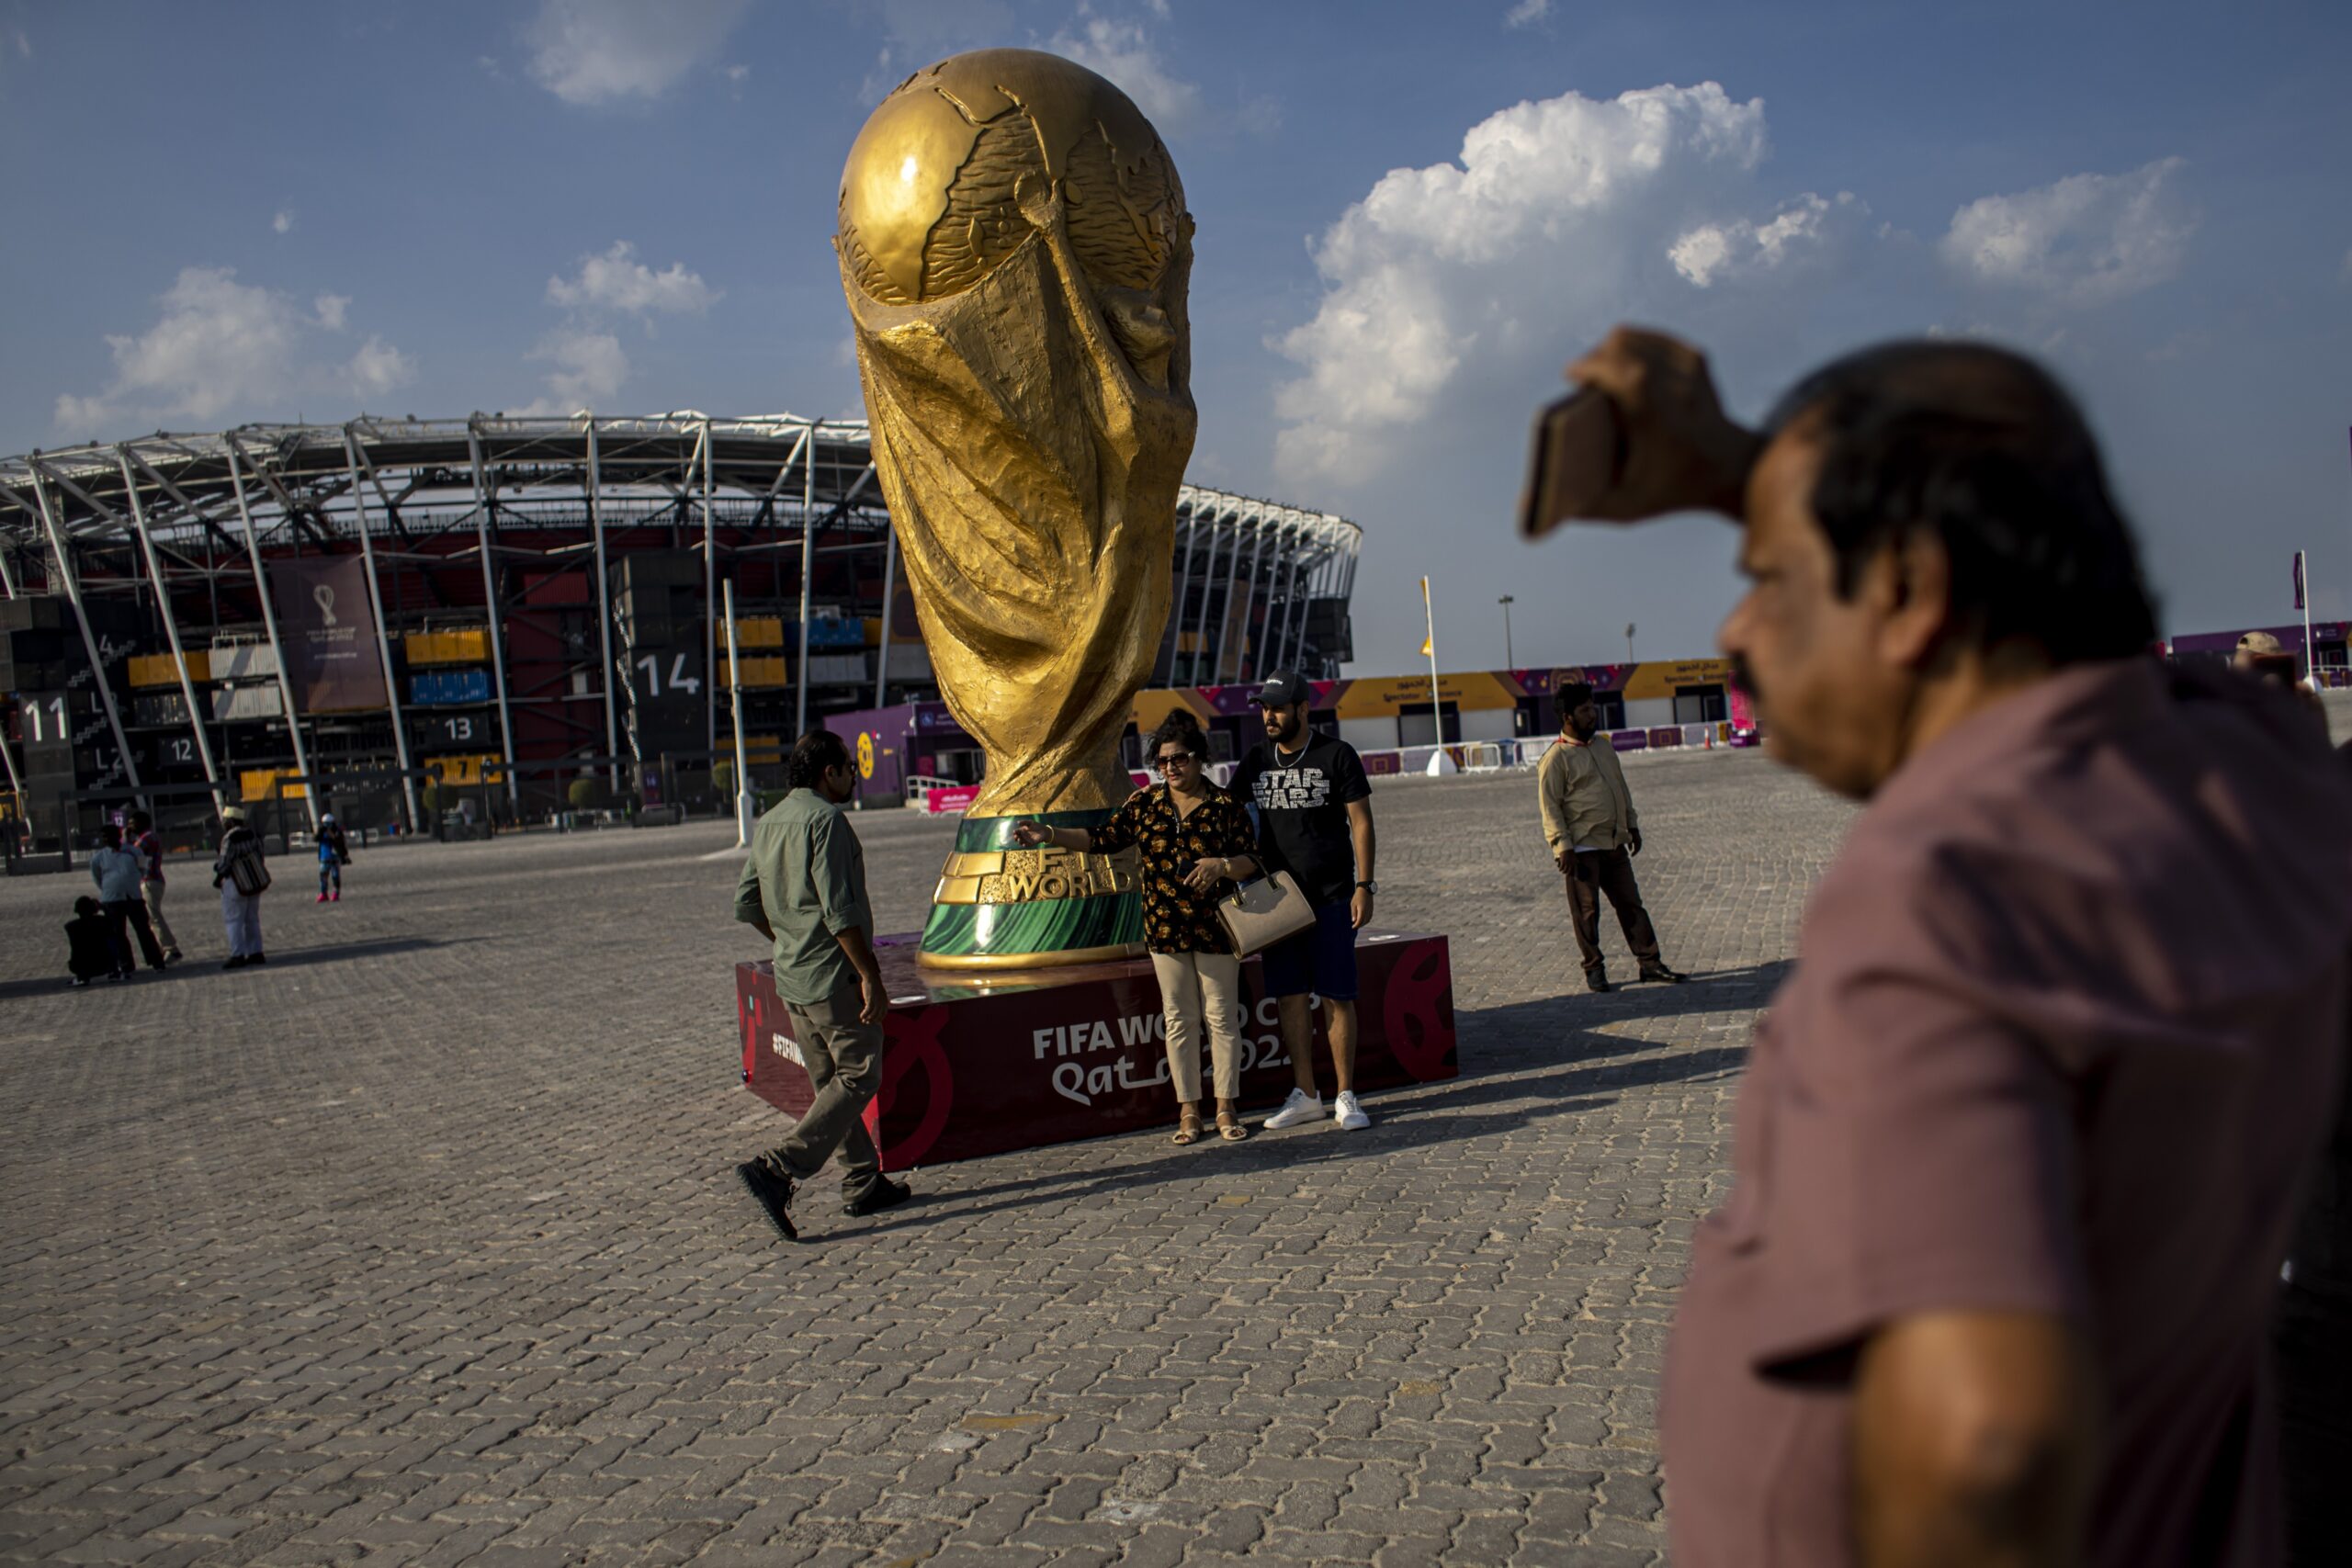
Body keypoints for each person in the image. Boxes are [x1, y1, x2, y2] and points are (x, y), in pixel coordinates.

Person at [1553, 325, 2352, 1567]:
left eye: (1771, 572)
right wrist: (1740, 465)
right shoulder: (2253, 771)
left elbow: (1990, 1444)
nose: (1742, 622)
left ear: (1912, 592)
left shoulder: (1950, 899)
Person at [1013, 713, 1261, 1145]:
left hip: (1216, 928)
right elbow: (1099, 839)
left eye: (1179, 759)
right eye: (1162, 761)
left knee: (1221, 1019)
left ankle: (1226, 1107)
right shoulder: (1144, 804)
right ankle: (1188, 1111)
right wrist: (1048, 833)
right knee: (1179, 1018)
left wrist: (1220, 866)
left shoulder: (1226, 806)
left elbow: (1251, 862)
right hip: (1164, 930)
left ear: (1200, 758)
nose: (1170, 768)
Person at [734, 728, 910, 1239]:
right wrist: (870, 977)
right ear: (827, 772)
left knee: (827, 1080)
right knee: (858, 1077)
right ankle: (777, 1168)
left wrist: (788, 934)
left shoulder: (769, 822)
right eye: (848, 767)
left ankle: (861, 1182)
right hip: (832, 975)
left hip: (791, 975)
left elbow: (746, 903)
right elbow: (840, 912)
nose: (853, 775)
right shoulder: (826, 820)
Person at [1228, 670, 1378, 1133]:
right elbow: (1230, 817)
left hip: (1333, 896)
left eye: (1276, 708)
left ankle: (1346, 1095)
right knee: (1290, 998)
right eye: (1264, 708)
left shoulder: (1337, 755)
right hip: (1278, 903)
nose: (1268, 716)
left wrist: (1364, 886)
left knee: (1338, 995)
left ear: (1302, 709)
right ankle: (1307, 1095)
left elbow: (1361, 823)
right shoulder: (1255, 760)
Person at [1538, 680, 1686, 992]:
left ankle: (1650, 963)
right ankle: (1594, 969)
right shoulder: (1556, 759)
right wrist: (1562, 847)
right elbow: (1549, 807)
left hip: (1614, 843)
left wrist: (1631, 825)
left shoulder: (1603, 746)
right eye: (1585, 710)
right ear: (1568, 717)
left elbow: (1620, 788)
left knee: (1632, 904)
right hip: (1581, 849)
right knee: (1587, 912)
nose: (1593, 714)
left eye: (1592, 707)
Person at [90, 823, 165, 976]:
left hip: (133, 898)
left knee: (144, 930)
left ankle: (156, 961)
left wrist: (132, 881)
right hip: (112, 900)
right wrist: (110, 888)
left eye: (109, 835)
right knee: (118, 934)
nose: (106, 839)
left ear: (118, 835)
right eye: (104, 837)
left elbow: (144, 868)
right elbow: (97, 878)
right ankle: (126, 965)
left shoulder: (133, 851)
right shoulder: (98, 858)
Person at [212, 806, 269, 969]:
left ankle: (237, 954)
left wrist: (218, 876)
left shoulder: (229, 838)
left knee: (234, 920)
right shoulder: (253, 834)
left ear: (230, 821)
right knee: (252, 919)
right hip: (254, 882)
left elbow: (224, 864)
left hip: (235, 884)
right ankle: (256, 952)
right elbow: (260, 857)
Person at [126, 810, 183, 963]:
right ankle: (164, 947)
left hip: (150, 881)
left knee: (154, 916)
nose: (129, 827)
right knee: (152, 917)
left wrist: (125, 840)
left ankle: (171, 947)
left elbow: (133, 856)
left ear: (142, 824)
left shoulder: (146, 839)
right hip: (152, 880)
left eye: (132, 823)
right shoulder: (148, 838)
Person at [64, 895, 115, 987]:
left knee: (78, 951)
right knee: (112, 942)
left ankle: (82, 977)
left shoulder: (71, 927)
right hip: (105, 963)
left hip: (82, 966)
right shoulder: (103, 922)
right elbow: (112, 919)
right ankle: (115, 972)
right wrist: (103, 908)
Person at [316, 812, 350, 903]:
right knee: (323, 876)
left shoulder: (337, 831)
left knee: (335, 876)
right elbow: (316, 839)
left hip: (335, 857)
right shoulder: (321, 832)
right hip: (324, 857)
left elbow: (340, 842)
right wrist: (321, 831)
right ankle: (323, 893)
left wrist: (345, 856)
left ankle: (336, 893)